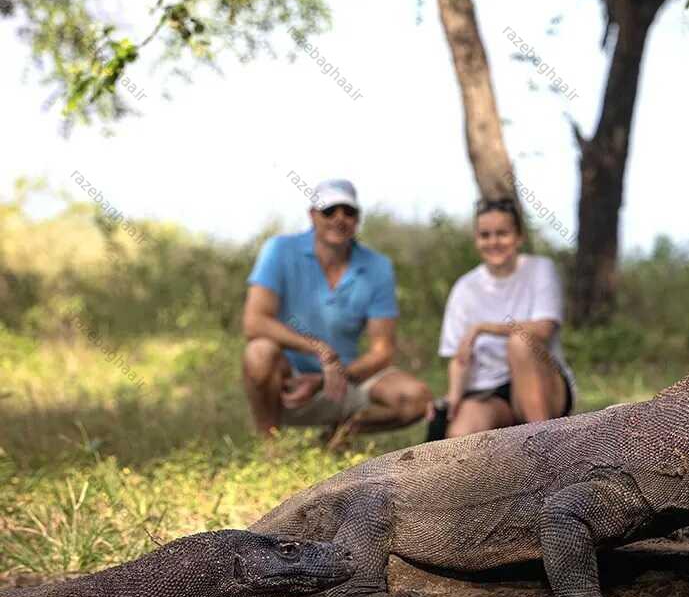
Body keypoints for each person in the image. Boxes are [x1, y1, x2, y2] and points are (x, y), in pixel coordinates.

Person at [242, 179, 431, 441]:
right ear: (312, 215)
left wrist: (331, 376)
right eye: (329, 211)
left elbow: (383, 350)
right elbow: (254, 322)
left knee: (417, 399)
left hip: (344, 379)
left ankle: (336, 436)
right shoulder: (279, 249)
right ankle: (268, 445)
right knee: (258, 352)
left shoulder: (378, 267)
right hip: (289, 380)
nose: (339, 218)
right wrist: (318, 349)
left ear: (358, 218)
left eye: (348, 211)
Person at [435, 198, 574, 438]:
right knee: (460, 434)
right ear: (477, 240)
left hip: (545, 383)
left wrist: (482, 328)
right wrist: (453, 398)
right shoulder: (465, 287)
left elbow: (544, 329)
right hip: (490, 392)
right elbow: (460, 357)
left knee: (520, 342)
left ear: (519, 237)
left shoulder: (541, 269)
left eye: (502, 233)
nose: (494, 242)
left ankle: (545, 449)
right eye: (485, 235)